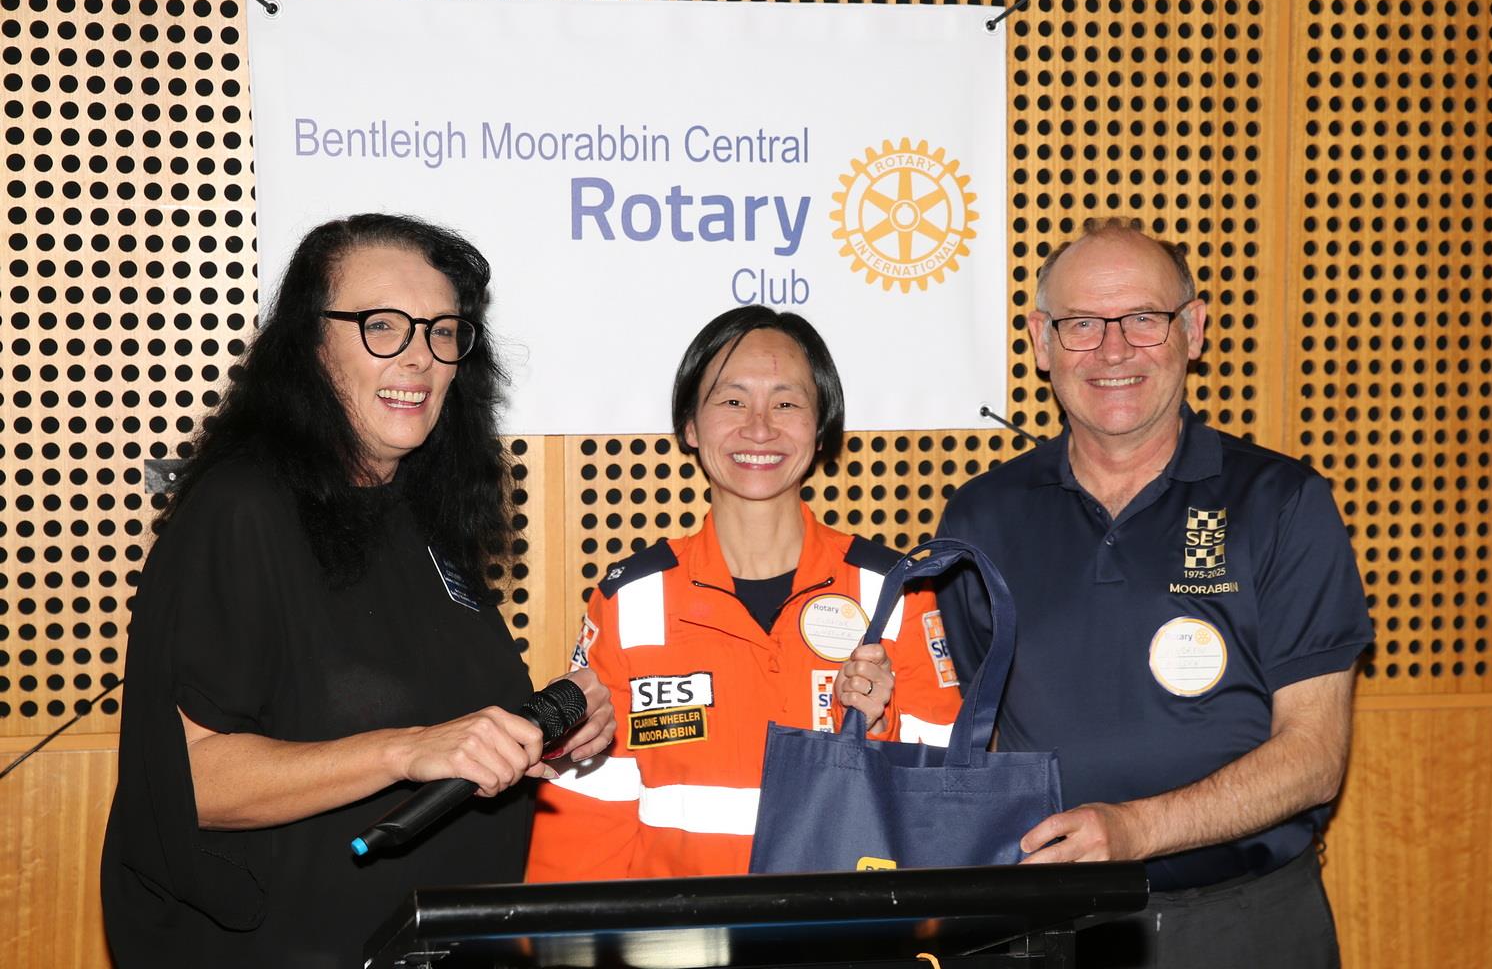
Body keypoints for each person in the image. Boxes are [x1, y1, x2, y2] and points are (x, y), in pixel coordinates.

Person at [100, 214, 615, 968]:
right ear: (310, 343)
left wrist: (540, 729)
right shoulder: (243, 507)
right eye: (382, 326)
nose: (419, 357)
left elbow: (440, 731)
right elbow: (187, 783)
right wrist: (404, 751)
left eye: (442, 331)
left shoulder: (427, 512)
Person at [937, 217, 1372, 968]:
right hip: (1044, 927)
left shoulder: (1283, 503)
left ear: (1192, 330)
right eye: (1082, 324)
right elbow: (971, 736)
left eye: (1144, 318)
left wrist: (1135, 829)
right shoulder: (980, 518)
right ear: (1041, 341)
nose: (1113, 350)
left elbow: (1315, 755)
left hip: (1245, 925)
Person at [526, 307, 961, 881]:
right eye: (732, 401)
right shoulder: (630, 601)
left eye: (786, 404)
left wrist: (880, 725)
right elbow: (588, 815)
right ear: (690, 425)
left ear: (821, 427)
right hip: (681, 931)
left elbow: (949, 800)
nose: (759, 428)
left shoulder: (893, 591)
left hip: (842, 924)